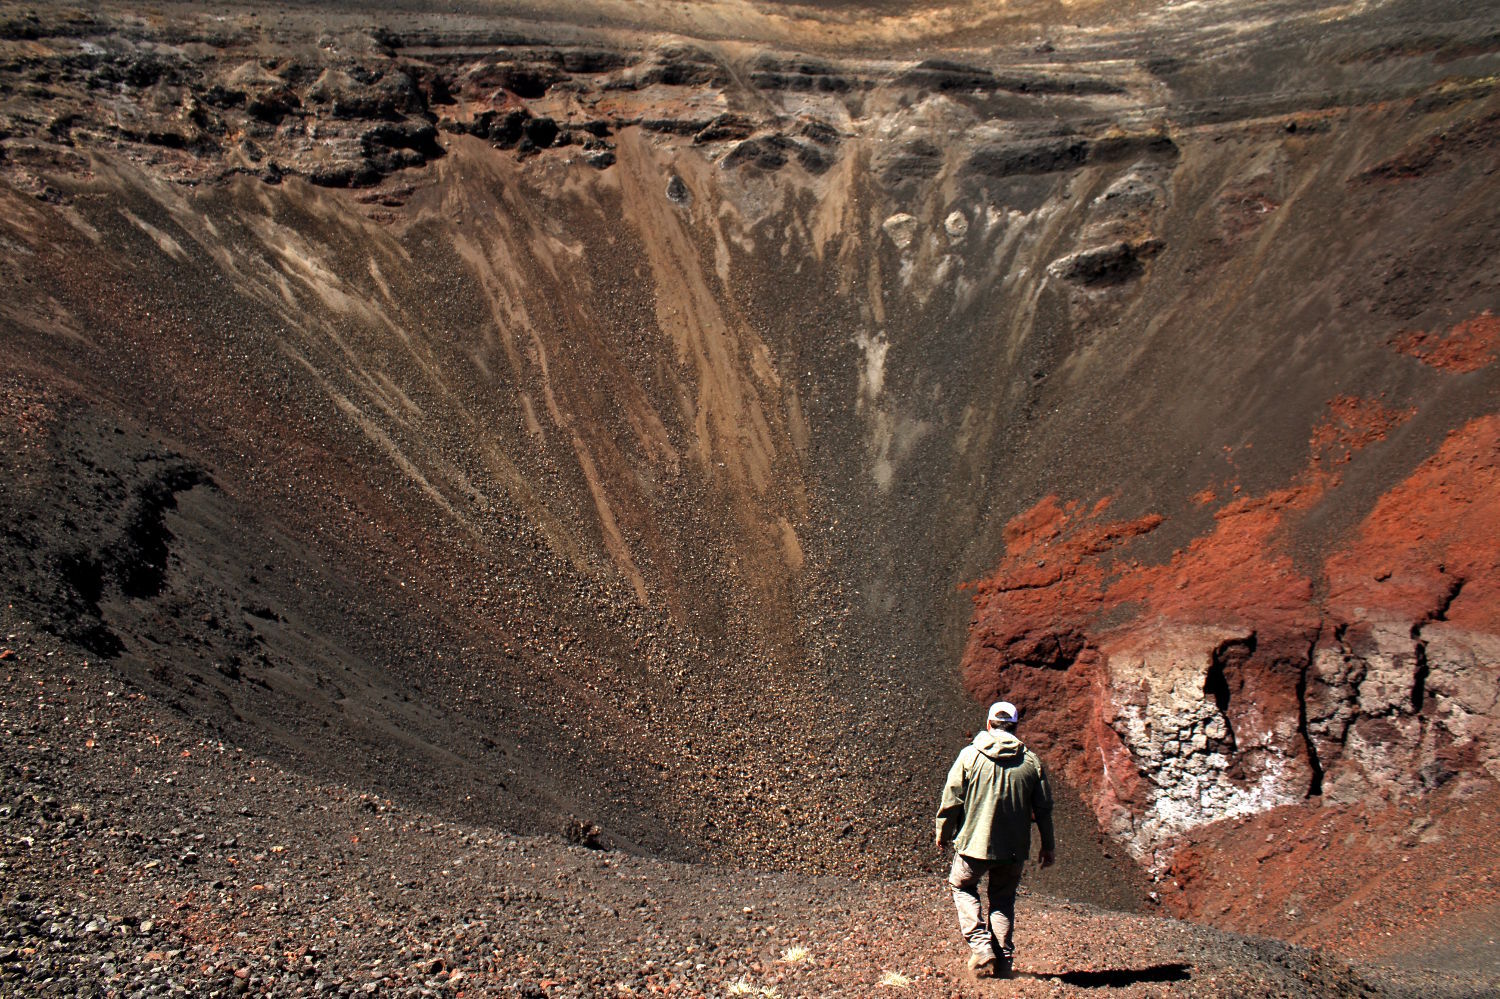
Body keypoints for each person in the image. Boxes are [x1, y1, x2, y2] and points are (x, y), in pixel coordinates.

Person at [935, 700, 1056, 979]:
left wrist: (943, 832)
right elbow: (1044, 809)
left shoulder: (970, 756)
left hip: (974, 844)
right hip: (1013, 849)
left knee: (962, 885)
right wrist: (1048, 846)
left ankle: (981, 946)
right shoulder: (1031, 762)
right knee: (1002, 900)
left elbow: (951, 798)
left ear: (989, 724)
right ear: (1014, 728)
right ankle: (1004, 965)